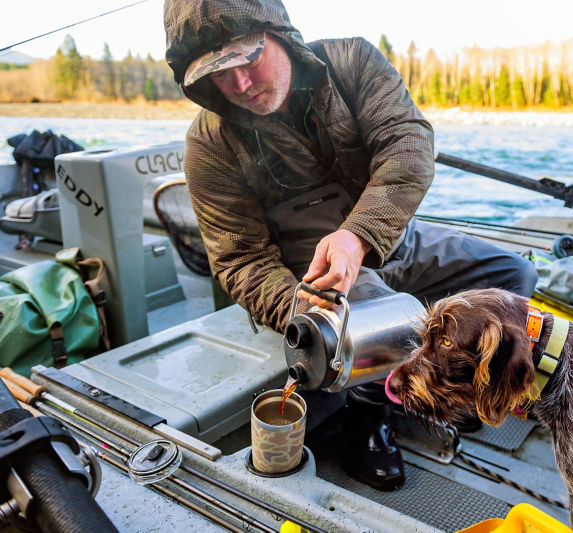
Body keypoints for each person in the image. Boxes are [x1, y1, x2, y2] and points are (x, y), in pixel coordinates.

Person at [164, 0, 537, 491]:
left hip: (391, 237)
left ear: (277, 32)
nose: (240, 86)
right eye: (218, 75)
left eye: (246, 60)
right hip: (308, 274)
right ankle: (370, 418)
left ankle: (451, 390)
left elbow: (409, 143)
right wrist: (300, 304)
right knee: (372, 321)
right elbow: (240, 259)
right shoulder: (209, 144)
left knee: (512, 279)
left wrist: (358, 235)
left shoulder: (353, 62)